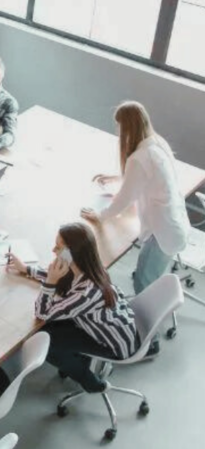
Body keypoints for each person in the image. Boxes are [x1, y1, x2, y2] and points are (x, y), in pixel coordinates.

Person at [81, 101, 189, 354]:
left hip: (163, 233)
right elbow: (141, 179)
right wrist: (116, 177)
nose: (119, 134)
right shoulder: (155, 144)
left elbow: (124, 200)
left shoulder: (139, 158)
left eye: (120, 128)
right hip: (173, 225)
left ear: (128, 128)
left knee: (144, 284)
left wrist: (101, 216)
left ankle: (147, 342)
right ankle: (146, 321)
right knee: (145, 277)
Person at [8, 222, 139, 393]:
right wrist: (26, 269)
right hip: (106, 325)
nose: (53, 250)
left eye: (58, 247)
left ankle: (93, 384)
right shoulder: (86, 267)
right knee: (48, 328)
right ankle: (76, 359)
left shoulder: (86, 293)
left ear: (72, 254)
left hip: (113, 344)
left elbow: (42, 312)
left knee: (48, 345)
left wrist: (50, 282)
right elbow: (63, 279)